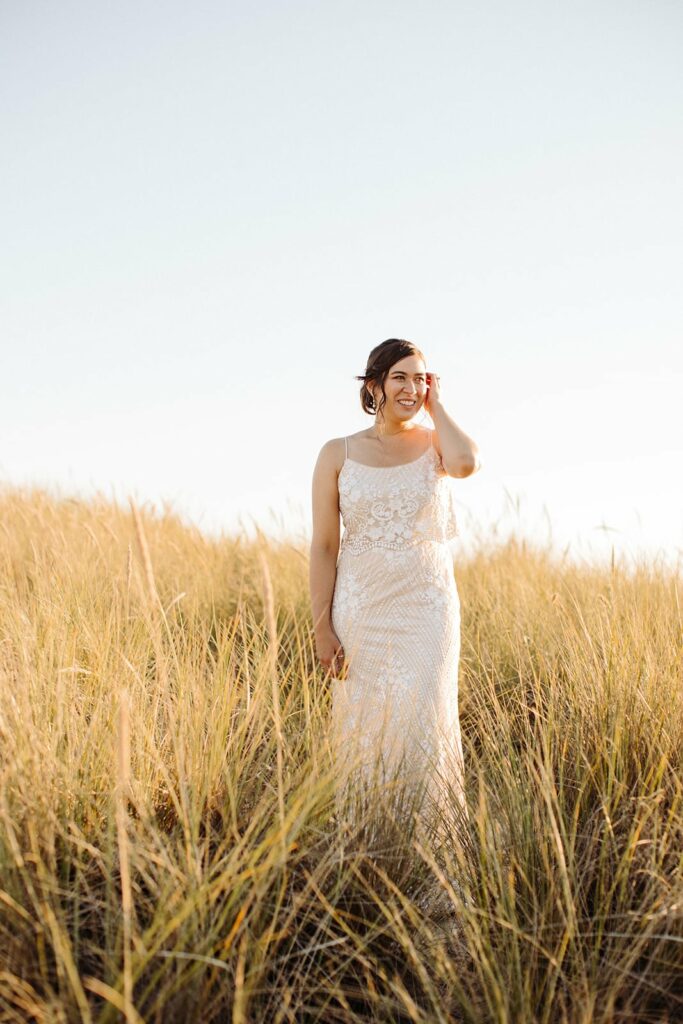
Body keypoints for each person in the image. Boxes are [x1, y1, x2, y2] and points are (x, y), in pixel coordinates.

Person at [309, 339, 481, 837]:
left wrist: (438, 406)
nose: (411, 387)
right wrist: (323, 627)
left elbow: (467, 462)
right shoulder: (337, 453)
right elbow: (323, 546)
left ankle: (431, 868)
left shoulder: (435, 444)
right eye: (400, 377)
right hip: (361, 609)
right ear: (374, 385)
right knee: (366, 732)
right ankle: (368, 857)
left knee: (424, 727)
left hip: (427, 610)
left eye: (420, 379)